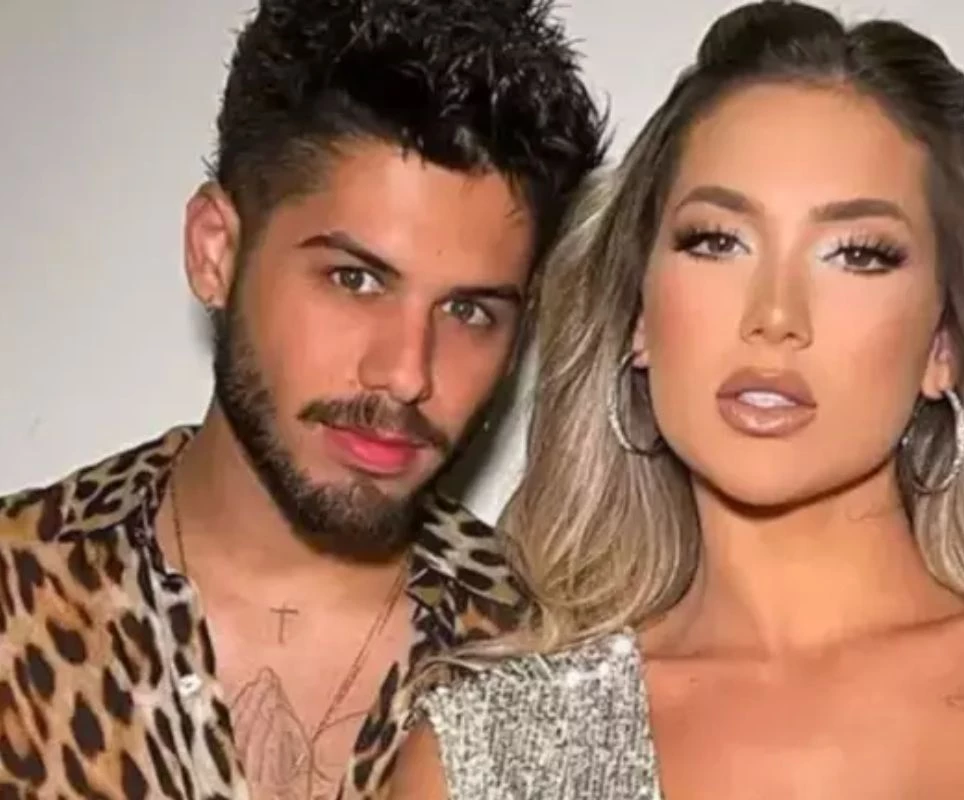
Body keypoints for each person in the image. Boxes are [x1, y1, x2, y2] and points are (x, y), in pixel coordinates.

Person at [388, 2, 964, 798]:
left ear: (944, 344)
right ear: (638, 316)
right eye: (716, 241)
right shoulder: (482, 759)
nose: (775, 316)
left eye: (858, 254)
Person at [0, 0, 604, 797]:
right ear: (217, 252)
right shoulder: (17, 593)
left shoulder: (554, 667)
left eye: (468, 311)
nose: (407, 373)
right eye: (355, 279)